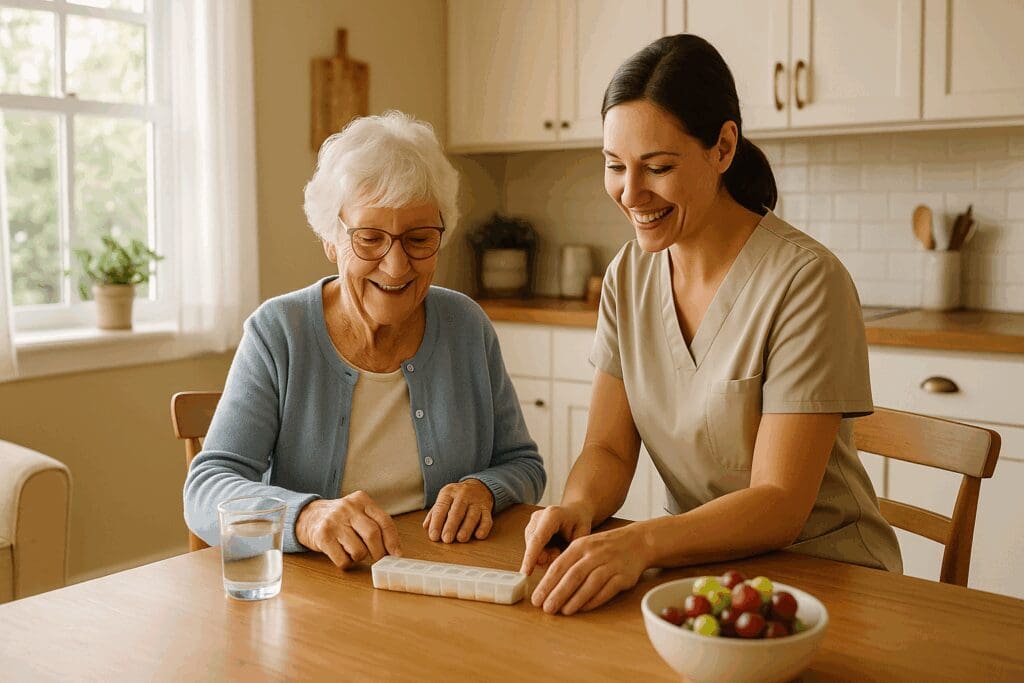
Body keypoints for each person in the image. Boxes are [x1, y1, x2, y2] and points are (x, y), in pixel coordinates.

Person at [520, 34, 902, 615]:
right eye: (615, 166)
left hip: (826, 577)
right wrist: (579, 509)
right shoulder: (628, 274)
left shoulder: (806, 282)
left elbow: (778, 502)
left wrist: (640, 541)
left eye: (658, 167)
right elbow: (607, 448)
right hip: (700, 572)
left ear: (723, 147)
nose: (630, 192)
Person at [185, 111, 545, 569]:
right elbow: (207, 488)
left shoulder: (466, 326)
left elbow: (524, 465)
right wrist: (307, 517)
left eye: (418, 238)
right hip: (321, 592)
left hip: (440, 580)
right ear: (332, 240)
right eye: (370, 238)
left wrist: (483, 490)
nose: (396, 267)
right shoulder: (279, 332)